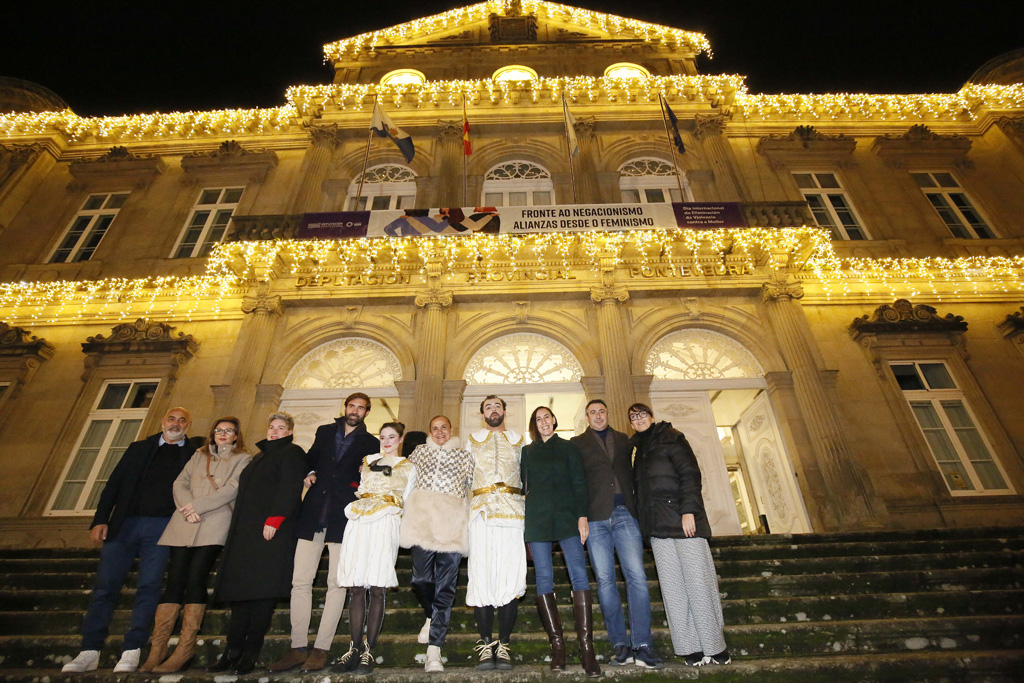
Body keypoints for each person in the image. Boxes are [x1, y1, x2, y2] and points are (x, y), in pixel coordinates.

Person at [62, 407, 198, 674]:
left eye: (182, 420)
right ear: (163, 421)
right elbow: (114, 484)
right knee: (105, 586)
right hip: (125, 523)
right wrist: (100, 519)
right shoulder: (139, 448)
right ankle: (89, 650)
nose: (176, 423)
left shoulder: (194, 453)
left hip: (163, 527)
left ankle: (132, 648)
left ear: (188, 425)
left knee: (149, 587)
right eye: (171, 418)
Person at [268, 393, 379, 673]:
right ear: (345, 407)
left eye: (361, 408)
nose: (355, 411)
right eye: (352, 406)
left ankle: (321, 649)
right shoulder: (324, 431)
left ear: (366, 413)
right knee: (300, 581)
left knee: (336, 584)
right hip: (314, 512)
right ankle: (297, 647)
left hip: (344, 517)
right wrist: (309, 471)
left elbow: (372, 477)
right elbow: (311, 458)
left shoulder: (371, 442)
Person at [140, 417, 252, 672]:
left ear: (236, 436)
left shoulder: (243, 458)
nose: (223, 434)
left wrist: (197, 507)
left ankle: (184, 649)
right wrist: (187, 507)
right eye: (219, 430)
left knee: (196, 578)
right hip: (184, 521)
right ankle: (157, 649)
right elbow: (180, 482)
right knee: (174, 581)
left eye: (229, 431)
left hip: (214, 522)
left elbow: (232, 489)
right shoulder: (199, 455)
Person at [628, 403, 731, 668]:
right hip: (657, 529)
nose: (638, 419)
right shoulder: (635, 449)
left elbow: (690, 474)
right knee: (673, 590)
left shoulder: (671, 437)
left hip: (684, 523)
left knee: (699, 585)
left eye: (642, 414)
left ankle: (715, 646)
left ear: (651, 417)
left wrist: (688, 511)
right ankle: (689, 647)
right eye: (633, 417)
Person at [208, 412, 306, 674]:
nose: (274, 431)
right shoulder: (259, 456)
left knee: (262, 594)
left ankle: (250, 654)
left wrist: (275, 519)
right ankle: (232, 651)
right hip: (247, 533)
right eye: (271, 426)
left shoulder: (292, 452)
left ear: (290, 432)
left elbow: (290, 488)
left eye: (281, 427)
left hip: (272, 532)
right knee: (241, 594)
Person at [570, 399, 662, 668]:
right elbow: (576, 482)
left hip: (625, 515)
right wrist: (580, 516)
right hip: (596, 518)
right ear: (587, 417)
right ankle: (620, 645)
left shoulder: (625, 440)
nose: (598, 416)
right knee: (605, 581)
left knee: (637, 577)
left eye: (602, 411)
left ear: (607, 414)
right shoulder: (577, 444)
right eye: (593, 412)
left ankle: (642, 644)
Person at [521, 406, 600, 677]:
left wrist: (582, 516)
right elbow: (523, 487)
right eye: (538, 418)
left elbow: (579, 483)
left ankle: (587, 648)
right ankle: (558, 646)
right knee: (544, 578)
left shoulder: (568, 447)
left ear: (554, 420)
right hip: (538, 521)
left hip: (568, 518)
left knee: (579, 575)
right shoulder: (527, 452)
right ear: (534, 424)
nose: (543, 421)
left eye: (547, 417)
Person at [334, 422, 417, 675]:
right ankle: (353, 648)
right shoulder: (368, 461)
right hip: (359, 520)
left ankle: (369, 651)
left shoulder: (409, 466)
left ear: (400, 439)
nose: (387, 441)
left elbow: (409, 499)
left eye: (392, 437)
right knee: (356, 587)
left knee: (378, 587)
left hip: (387, 520)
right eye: (383, 437)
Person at [399, 415, 474, 673]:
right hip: (422, 522)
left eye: (444, 427)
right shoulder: (419, 452)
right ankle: (431, 615)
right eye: (435, 428)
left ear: (451, 430)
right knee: (420, 579)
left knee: (445, 587)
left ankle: (434, 650)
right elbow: (402, 478)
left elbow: (475, 487)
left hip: (452, 524)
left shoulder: (465, 456)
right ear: (429, 432)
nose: (440, 432)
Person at [465, 395, 526, 671]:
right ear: (482, 414)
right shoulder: (472, 441)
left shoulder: (519, 441)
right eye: (488, 407)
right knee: (482, 576)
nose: (493, 410)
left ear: (505, 411)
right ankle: (485, 644)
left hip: (514, 514)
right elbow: (462, 478)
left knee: (511, 576)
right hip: (481, 514)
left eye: (497, 406)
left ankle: (504, 644)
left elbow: (529, 476)